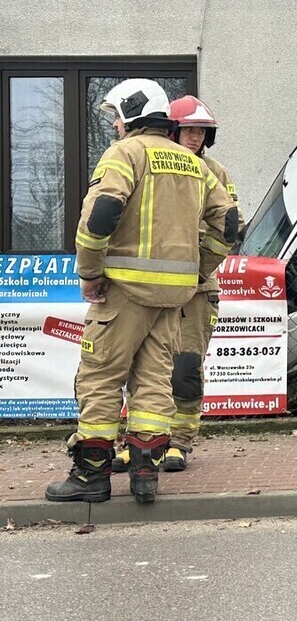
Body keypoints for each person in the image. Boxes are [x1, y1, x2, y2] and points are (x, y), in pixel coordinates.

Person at [45, 80, 238, 504]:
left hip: (123, 293)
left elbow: (102, 213)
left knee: (100, 378)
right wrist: (197, 270)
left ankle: (91, 476)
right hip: (174, 299)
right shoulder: (196, 166)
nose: (114, 123)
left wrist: (90, 272)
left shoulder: (126, 153)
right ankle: (145, 474)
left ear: (132, 114)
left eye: (117, 114)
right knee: (154, 383)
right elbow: (228, 224)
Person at [112, 95, 242, 473]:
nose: (195, 138)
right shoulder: (152, 163)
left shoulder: (215, 171)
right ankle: (139, 443)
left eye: (202, 132)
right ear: (173, 129)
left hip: (197, 289)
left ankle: (179, 442)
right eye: (188, 130)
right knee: (143, 368)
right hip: (147, 288)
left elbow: (230, 225)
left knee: (185, 368)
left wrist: (199, 271)